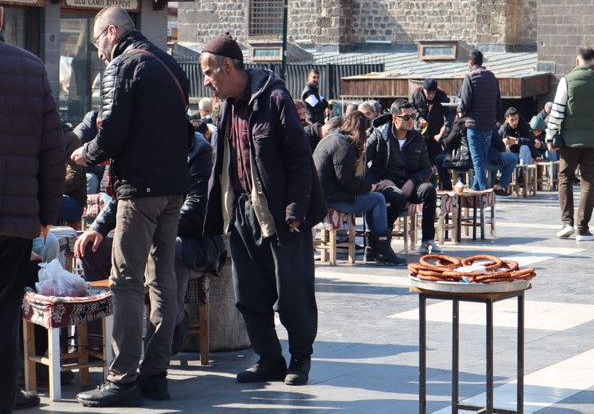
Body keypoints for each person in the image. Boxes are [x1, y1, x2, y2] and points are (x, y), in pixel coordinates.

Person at [71, 5, 189, 407]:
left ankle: (122, 379)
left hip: (140, 190)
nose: (99, 52)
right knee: (162, 280)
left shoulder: (122, 66)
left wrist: (85, 153)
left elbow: (113, 133)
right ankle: (157, 375)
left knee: (125, 281)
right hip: (174, 188)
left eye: (97, 41)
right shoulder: (171, 66)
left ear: (112, 32)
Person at [200, 33, 325, 387]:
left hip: (282, 214)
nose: (207, 82)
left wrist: (296, 209)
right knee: (248, 294)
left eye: (209, 73)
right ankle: (269, 358)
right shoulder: (225, 105)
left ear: (227, 67)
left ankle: (300, 358)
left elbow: (300, 160)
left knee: (293, 292)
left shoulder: (275, 97)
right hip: (242, 212)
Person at [76, 122, 222, 355]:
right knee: (91, 249)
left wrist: (155, 232)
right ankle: (98, 339)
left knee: (168, 249)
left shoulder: (198, 149)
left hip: (192, 240)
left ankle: (172, 326)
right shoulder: (145, 143)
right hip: (147, 232)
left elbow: (196, 207)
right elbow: (125, 193)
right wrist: (98, 228)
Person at [0, 4, 65, 414]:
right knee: (6, 316)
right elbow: (53, 150)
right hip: (16, 223)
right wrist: (46, 215)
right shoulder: (30, 67)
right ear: (2, 16)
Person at [313, 112, 405, 265]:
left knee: (372, 199)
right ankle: (382, 250)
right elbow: (345, 180)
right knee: (378, 199)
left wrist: (367, 187)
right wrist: (369, 187)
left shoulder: (332, 139)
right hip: (332, 199)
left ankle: (371, 249)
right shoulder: (343, 145)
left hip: (324, 196)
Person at [546, 47, 594, 241]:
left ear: (577, 61)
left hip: (570, 141)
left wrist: (550, 136)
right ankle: (583, 228)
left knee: (565, 178)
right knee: (588, 183)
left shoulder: (567, 81)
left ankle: (567, 223)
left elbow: (556, 111)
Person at [366, 99, 441, 255]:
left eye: (412, 116)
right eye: (406, 117)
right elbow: (360, 163)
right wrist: (378, 182)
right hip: (385, 184)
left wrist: (412, 181)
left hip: (409, 183)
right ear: (395, 118)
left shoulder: (417, 138)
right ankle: (382, 239)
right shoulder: (379, 135)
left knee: (429, 190)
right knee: (397, 196)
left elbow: (427, 169)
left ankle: (427, 240)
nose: (411, 120)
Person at [458, 50, 502, 191]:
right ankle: (474, 189)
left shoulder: (469, 77)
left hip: (474, 124)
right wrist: (497, 119)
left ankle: (484, 192)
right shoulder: (492, 77)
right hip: (489, 124)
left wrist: (459, 109)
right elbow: (498, 101)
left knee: (477, 160)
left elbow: (465, 103)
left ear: (470, 63)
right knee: (482, 160)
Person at [412, 78, 453, 163]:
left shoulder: (441, 94)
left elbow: (449, 112)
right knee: (421, 158)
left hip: (436, 132)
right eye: (428, 92)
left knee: (436, 158)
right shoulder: (416, 94)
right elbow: (412, 108)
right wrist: (419, 118)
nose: (431, 95)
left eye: (433, 92)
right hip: (421, 132)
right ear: (423, 89)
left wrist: (446, 125)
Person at [60, 121, 87, 224]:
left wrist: (51, 191)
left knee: (44, 203)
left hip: (73, 201)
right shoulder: (38, 140)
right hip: (52, 195)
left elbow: (75, 176)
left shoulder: (70, 139)